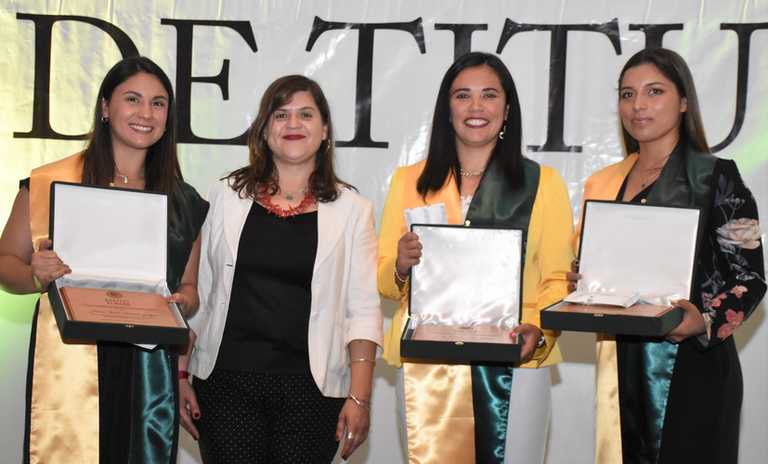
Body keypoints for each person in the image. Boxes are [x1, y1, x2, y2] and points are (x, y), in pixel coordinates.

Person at [0, 56, 208, 463]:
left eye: (159, 103)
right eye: (133, 99)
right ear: (105, 107)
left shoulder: (184, 202)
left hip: (147, 365)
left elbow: (189, 290)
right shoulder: (48, 183)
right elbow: (5, 262)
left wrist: (184, 302)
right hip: (71, 356)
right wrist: (33, 274)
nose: (146, 113)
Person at [571, 48, 765, 463]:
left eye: (654, 92)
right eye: (627, 94)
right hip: (621, 361)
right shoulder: (605, 183)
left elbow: (750, 277)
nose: (638, 105)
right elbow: (589, 267)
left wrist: (705, 321)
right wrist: (584, 283)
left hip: (695, 366)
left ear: (682, 103)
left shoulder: (716, 175)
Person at [378, 52, 574, 463]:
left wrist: (536, 330)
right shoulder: (409, 182)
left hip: (515, 362)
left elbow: (557, 279)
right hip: (425, 364)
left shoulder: (543, 183)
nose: (475, 107)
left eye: (489, 95)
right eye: (462, 95)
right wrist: (400, 264)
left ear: (507, 109)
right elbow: (383, 279)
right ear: (446, 109)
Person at [178, 74, 383, 463]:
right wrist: (181, 374)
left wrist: (360, 397)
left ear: (324, 131)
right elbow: (201, 292)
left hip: (314, 389)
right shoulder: (225, 195)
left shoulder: (354, 210)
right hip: (225, 384)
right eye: (281, 114)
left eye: (306, 114)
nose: (293, 124)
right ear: (264, 131)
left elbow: (363, 310)